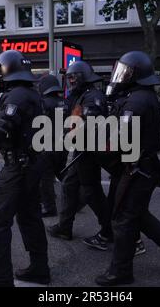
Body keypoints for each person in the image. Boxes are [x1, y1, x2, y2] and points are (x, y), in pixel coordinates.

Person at [95, 51, 160, 286]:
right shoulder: (141, 96)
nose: (120, 76)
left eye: (125, 72)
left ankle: (120, 271)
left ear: (136, 74)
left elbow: (119, 139)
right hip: (141, 167)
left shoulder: (135, 101)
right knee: (138, 216)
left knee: (124, 219)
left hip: (136, 169)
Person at [0, 50, 49, 286]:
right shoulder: (30, 93)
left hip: (17, 167)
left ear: (5, 70)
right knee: (29, 217)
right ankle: (40, 269)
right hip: (31, 164)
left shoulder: (15, 96)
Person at [47, 61, 114, 250]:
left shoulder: (92, 97)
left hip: (88, 152)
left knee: (92, 193)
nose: (70, 81)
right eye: (68, 77)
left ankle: (109, 229)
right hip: (82, 150)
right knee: (69, 185)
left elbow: (88, 124)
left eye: (72, 77)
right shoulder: (82, 96)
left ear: (82, 77)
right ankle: (64, 227)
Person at [37, 74, 65, 217]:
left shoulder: (43, 103)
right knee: (63, 174)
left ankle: (49, 207)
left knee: (45, 178)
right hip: (62, 144)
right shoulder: (64, 102)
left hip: (47, 145)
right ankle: (76, 199)